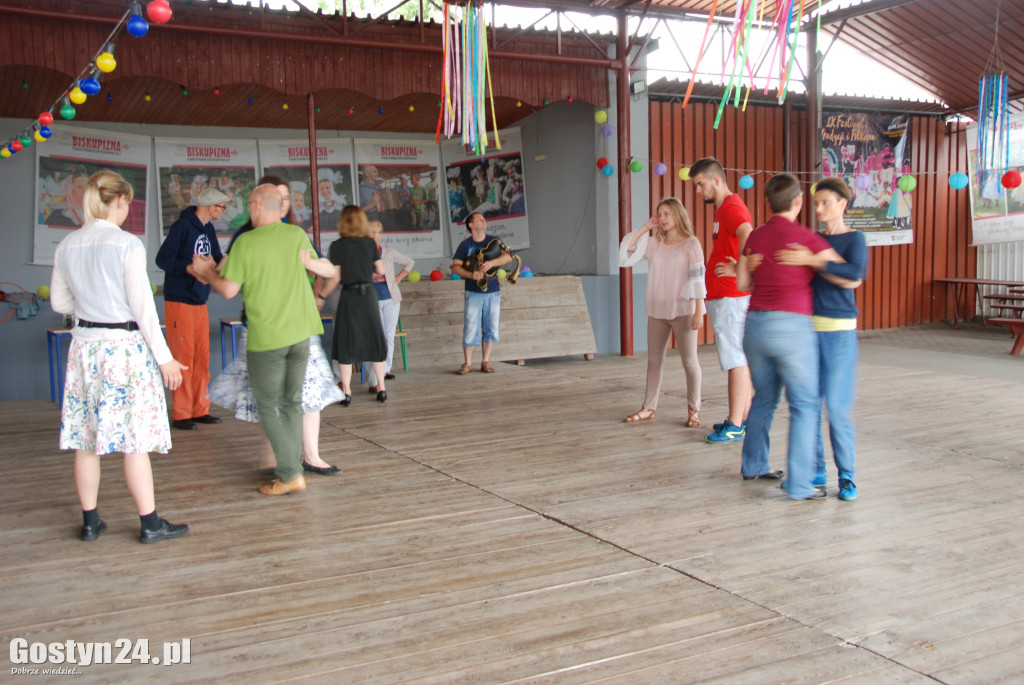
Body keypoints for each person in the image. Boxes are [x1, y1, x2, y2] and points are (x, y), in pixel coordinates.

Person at [49, 169, 189, 544]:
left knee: (85, 439)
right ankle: (149, 523)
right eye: (127, 203)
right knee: (134, 440)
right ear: (119, 201)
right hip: (123, 349)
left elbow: (60, 303)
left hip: (84, 348)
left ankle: (91, 522)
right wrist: (166, 360)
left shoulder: (66, 246)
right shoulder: (127, 244)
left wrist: (89, 301)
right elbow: (143, 310)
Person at [192, 184, 334, 495]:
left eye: (248, 205)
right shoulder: (297, 235)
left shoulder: (246, 242)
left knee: (268, 405)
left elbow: (228, 290)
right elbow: (326, 268)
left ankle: (290, 472)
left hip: (267, 337)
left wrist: (206, 272)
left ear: (257, 206)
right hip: (301, 336)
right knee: (292, 404)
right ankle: (292, 465)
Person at [736, 173, 843, 501]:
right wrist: (815, 259)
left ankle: (753, 465)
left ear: (769, 202)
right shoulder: (805, 237)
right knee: (804, 404)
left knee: (765, 395)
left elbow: (742, 285)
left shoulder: (755, 235)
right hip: (792, 327)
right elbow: (844, 271)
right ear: (798, 201)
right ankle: (800, 484)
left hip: (754, 326)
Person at [775, 177, 868, 501]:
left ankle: (847, 476)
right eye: (815, 203)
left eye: (825, 202)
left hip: (840, 333)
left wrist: (815, 261)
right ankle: (814, 472)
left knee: (838, 409)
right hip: (807, 332)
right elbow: (803, 273)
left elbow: (853, 276)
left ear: (843, 203)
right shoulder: (812, 239)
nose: (818, 209)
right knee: (808, 404)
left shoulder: (855, 239)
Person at [621, 198, 706, 427]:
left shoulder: (691, 243)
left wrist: (699, 310)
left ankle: (693, 409)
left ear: (678, 214)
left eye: (667, 213)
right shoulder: (653, 244)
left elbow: (698, 278)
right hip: (657, 310)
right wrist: (647, 227)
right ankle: (648, 407)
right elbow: (627, 249)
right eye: (660, 214)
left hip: (684, 310)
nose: (663, 218)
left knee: (690, 362)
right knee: (654, 361)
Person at [689, 157, 755, 444]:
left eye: (701, 184)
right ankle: (742, 419)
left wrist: (738, 270)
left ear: (717, 181)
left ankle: (737, 424)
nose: (698, 190)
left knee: (735, 360)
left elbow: (748, 234)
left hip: (732, 297)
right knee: (738, 359)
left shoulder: (731, 208)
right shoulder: (724, 210)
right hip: (727, 296)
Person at [155, 187, 229, 431]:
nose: (223, 211)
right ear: (211, 207)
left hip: (199, 300)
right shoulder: (183, 226)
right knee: (183, 357)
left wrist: (224, 263)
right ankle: (182, 413)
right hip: (180, 300)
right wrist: (188, 268)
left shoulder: (208, 229)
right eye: (221, 206)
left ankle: (200, 409)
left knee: (201, 357)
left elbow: (216, 257)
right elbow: (162, 259)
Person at [320, 206, 389, 404]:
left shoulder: (337, 246)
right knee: (374, 339)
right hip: (367, 295)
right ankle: (381, 389)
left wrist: (322, 295)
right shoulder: (369, 244)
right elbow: (381, 270)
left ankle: (347, 392)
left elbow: (335, 279)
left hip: (349, 296)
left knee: (346, 342)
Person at [450, 211, 514, 374]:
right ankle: (468, 363)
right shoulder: (465, 245)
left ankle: (486, 361)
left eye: (483, 218)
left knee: (491, 326)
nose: (483, 220)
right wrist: (471, 274)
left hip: (493, 291)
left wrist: (491, 263)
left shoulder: (494, 241)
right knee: (471, 326)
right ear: (471, 225)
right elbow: (455, 266)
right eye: (479, 218)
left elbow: (508, 257)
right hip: (473, 292)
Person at [364, 220, 415, 390]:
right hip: (371, 298)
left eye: (378, 232)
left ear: (381, 234)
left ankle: (385, 369)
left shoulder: (388, 252)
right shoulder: (362, 253)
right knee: (375, 335)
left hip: (390, 298)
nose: (375, 235)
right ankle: (375, 374)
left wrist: (399, 278)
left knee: (388, 334)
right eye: (372, 232)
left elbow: (410, 262)